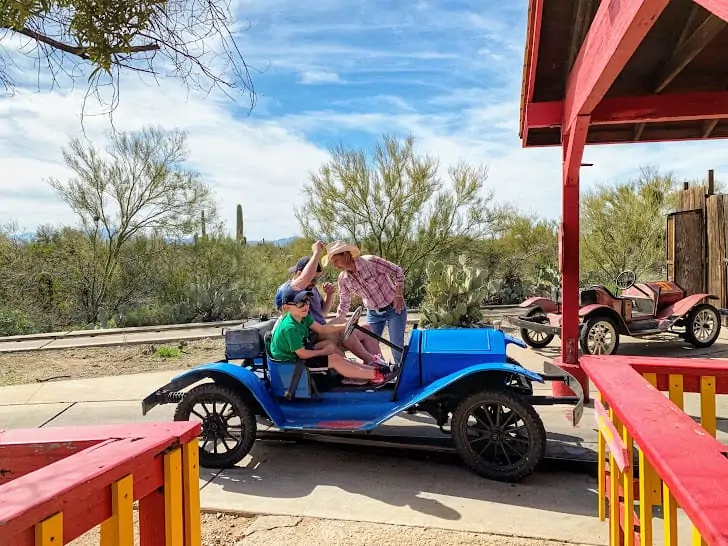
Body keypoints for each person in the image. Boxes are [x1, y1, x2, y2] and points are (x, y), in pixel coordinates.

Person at [275, 241, 388, 367]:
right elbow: (304, 280)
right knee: (344, 329)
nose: (315, 282)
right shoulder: (289, 291)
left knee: (365, 328)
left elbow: (322, 313)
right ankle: (371, 363)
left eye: (317, 278)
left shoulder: (311, 289)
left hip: (320, 328)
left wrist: (329, 296)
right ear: (299, 273)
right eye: (313, 278)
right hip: (311, 334)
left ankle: (381, 365)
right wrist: (317, 252)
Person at [269, 285, 394, 385]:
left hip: (298, 354)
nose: (306, 305)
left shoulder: (302, 316)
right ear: (286, 307)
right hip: (291, 363)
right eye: (300, 303)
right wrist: (323, 352)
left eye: (307, 301)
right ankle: (376, 374)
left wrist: (345, 326)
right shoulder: (290, 328)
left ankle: (373, 369)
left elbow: (322, 329)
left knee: (331, 349)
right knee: (334, 359)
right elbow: (302, 354)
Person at [321, 241, 407, 363]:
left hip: (394, 308)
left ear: (345, 255)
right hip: (373, 313)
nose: (334, 266)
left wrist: (398, 294)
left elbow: (397, 271)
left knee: (396, 347)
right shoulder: (343, 279)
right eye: (332, 263)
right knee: (370, 348)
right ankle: (381, 373)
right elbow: (344, 302)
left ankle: (403, 377)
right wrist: (338, 323)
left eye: (336, 261)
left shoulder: (370, 262)